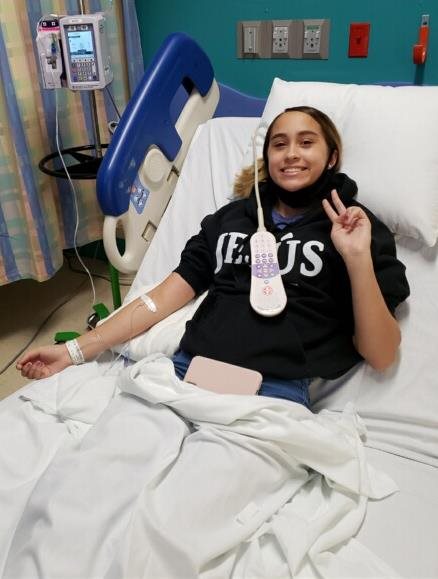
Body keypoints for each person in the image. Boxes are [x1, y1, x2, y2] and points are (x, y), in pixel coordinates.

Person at [16, 106, 410, 408]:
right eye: (279, 144)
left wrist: (357, 259)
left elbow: (381, 354)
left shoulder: (354, 229)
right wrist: (74, 350)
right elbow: (161, 299)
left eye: (307, 143)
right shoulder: (230, 220)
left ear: (332, 157)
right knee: (98, 474)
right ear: (267, 157)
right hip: (185, 374)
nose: (291, 154)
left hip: (271, 394)